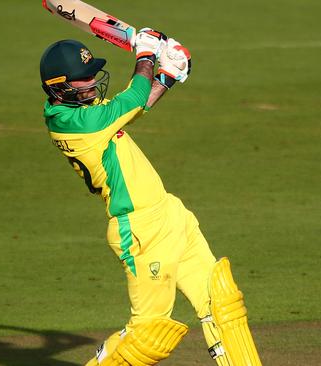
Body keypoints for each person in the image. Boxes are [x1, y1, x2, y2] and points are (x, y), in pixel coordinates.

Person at [40, 29, 262, 366]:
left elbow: (136, 104)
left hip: (170, 214)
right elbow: (133, 96)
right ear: (59, 86)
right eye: (83, 79)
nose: (92, 83)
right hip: (139, 230)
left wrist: (168, 76)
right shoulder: (77, 124)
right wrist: (145, 55)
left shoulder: (84, 111)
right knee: (149, 335)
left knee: (223, 301)